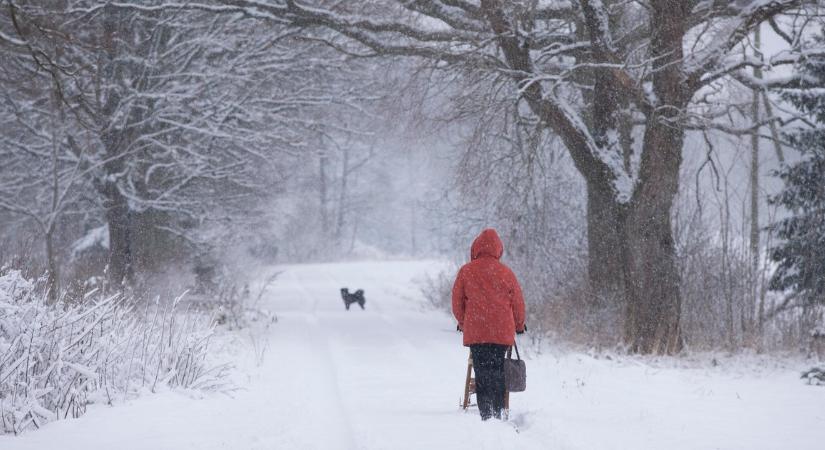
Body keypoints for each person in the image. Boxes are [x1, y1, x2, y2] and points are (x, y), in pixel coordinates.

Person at [452, 228, 526, 420]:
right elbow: (517, 302)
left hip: (477, 331)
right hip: (501, 332)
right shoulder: (506, 272)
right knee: (498, 368)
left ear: (476, 248)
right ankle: (499, 409)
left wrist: (463, 322)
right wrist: (519, 325)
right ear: (498, 249)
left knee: (482, 369)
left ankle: (486, 412)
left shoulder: (466, 271)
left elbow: (457, 302)